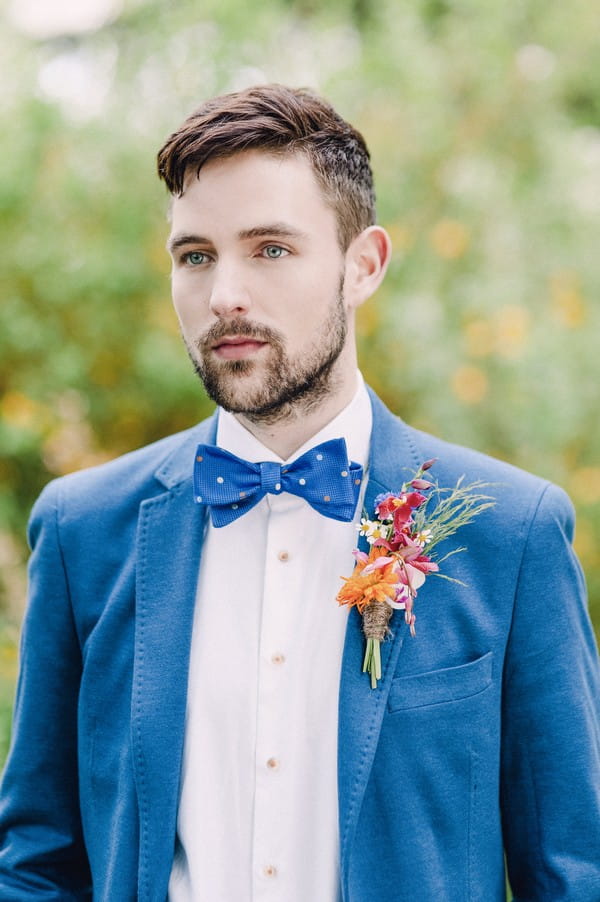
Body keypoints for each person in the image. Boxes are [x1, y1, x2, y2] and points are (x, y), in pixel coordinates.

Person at [0, 84, 598, 902]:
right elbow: (36, 861)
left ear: (364, 265)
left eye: (271, 249)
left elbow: (573, 871)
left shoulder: (511, 533)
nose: (224, 296)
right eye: (195, 255)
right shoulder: (82, 531)